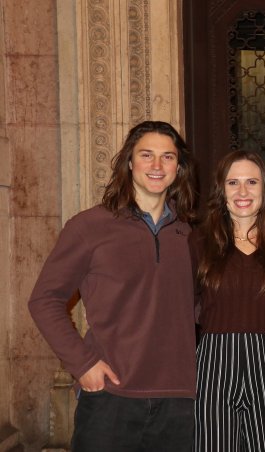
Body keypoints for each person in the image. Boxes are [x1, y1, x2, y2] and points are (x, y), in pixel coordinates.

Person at [28, 121, 198, 451]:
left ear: (179, 168)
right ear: (130, 162)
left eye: (167, 157)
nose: (157, 165)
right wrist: (83, 364)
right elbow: (44, 300)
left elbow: (199, 306)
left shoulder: (190, 235)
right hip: (110, 395)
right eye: (146, 155)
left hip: (178, 400)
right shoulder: (89, 227)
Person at [190, 150, 265, 452]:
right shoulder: (199, 242)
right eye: (233, 183)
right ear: (221, 190)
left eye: (252, 182)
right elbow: (183, 305)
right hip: (214, 362)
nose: (243, 191)